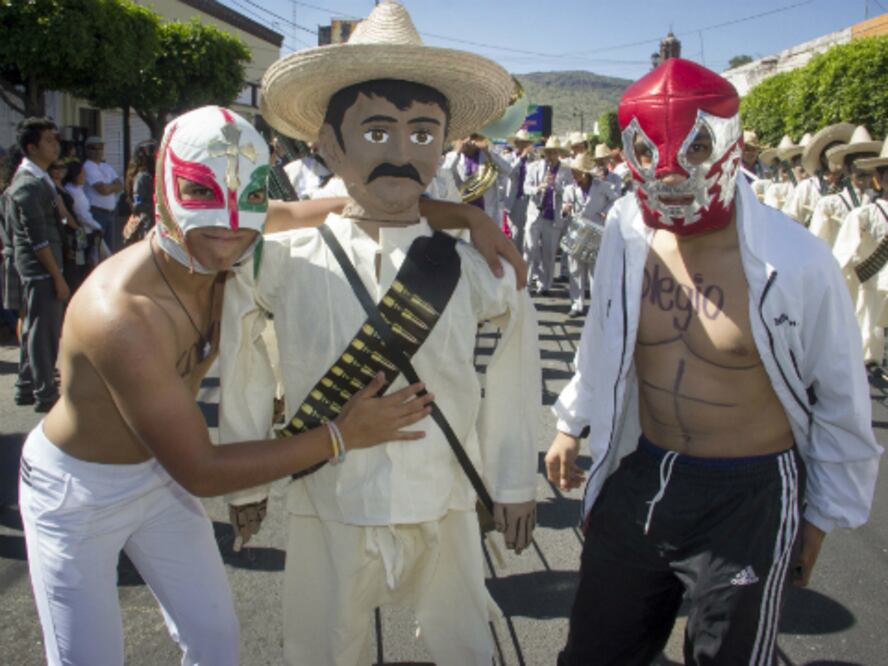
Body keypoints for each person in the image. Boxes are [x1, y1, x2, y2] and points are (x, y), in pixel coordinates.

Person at [17, 106, 457, 666]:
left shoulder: (234, 229)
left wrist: (471, 221)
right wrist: (342, 435)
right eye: (200, 191)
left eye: (248, 195)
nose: (228, 221)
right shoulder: (122, 315)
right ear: (165, 192)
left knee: (215, 642)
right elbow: (202, 471)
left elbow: (353, 208)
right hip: (78, 492)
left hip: (159, 478)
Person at [219, 4, 540, 664]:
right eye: (376, 131)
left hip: (442, 496)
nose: (401, 153)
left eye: (423, 134)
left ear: (445, 145)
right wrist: (245, 484)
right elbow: (242, 363)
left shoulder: (477, 268)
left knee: (465, 648)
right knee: (323, 651)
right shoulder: (279, 263)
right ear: (329, 145)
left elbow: (516, 358)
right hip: (328, 498)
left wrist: (512, 481)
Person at [544, 58, 882, 665]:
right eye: (648, 153)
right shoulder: (626, 231)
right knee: (594, 652)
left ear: (733, 144)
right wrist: (571, 423)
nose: (671, 172)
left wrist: (820, 517)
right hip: (646, 469)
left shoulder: (798, 262)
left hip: (748, 497)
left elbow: (840, 397)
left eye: (697, 147)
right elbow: (605, 332)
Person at [7, 118, 67, 411]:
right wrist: (57, 277)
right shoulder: (28, 185)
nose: (55, 145)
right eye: (48, 140)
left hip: (43, 266)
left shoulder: (41, 180)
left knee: (35, 327)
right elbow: (38, 240)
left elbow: (60, 218)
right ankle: (45, 392)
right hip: (40, 268)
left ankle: (27, 385)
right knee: (44, 332)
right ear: (32, 148)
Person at [833, 139, 888, 369]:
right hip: (874, 290)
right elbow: (841, 258)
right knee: (870, 343)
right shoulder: (864, 215)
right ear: (880, 179)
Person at [561, 152, 619, 316]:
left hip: (595, 231)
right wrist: (565, 209)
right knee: (575, 269)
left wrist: (606, 211)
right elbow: (564, 207)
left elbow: (616, 199)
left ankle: (596, 305)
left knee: (595, 269)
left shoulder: (602, 186)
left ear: (585, 173)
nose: (573, 174)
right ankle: (577, 304)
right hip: (576, 231)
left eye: (576, 172)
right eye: (573, 171)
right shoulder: (569, 188)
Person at [808, 126, 881, 249]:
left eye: (869, 164)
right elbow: (815, 244)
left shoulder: (881, 203)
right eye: (859, 164)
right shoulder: (829, 205)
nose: (864, 169)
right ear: (846, 169)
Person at [524, 135, 572, 294]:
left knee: (549, 253)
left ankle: (544, 285)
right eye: (549, 152)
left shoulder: (566, 170)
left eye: (554, 152)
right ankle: (526, 283)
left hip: (553, 216)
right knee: (530, 249)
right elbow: (525, 187)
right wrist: (538, 188)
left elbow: (569, 191)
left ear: (559, 153)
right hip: (535, 213)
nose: (551, 155)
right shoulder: (534, 166)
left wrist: (555, 185)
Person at [782, 123, 855, 226]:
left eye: (840, 153)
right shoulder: (808, 186)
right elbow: (791, 219)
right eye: (833, 154)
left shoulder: (853, 185)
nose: (838, 158)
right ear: (823, 159)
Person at [83, 135, 123, 251]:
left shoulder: (106, 166)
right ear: (87, 150)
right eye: (93, 148)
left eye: (100, 148)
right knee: (97, 249)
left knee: (109, 250)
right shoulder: (88, 166)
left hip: (110, 213)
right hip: (96, 213)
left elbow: (120, 185)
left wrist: (109, 187)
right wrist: (111, 187)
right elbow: (103, 190)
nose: (97, 151)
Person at [503, 128, 535, 250]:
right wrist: (521, 158)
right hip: (513, 199)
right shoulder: (508, 158)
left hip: (527, 199)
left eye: (526, 143)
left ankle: (521, 258)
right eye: (521, 143)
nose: (523, 146)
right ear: (515, 143)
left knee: (526, 234)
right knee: (514, 233)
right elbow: (510, 172)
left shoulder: (532, 160)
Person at [122, 141, 157, 245]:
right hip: (146, 224)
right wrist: (156, 207)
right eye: (154, 154)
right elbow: (138, 203)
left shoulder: (150, 175)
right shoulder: (142, 176)